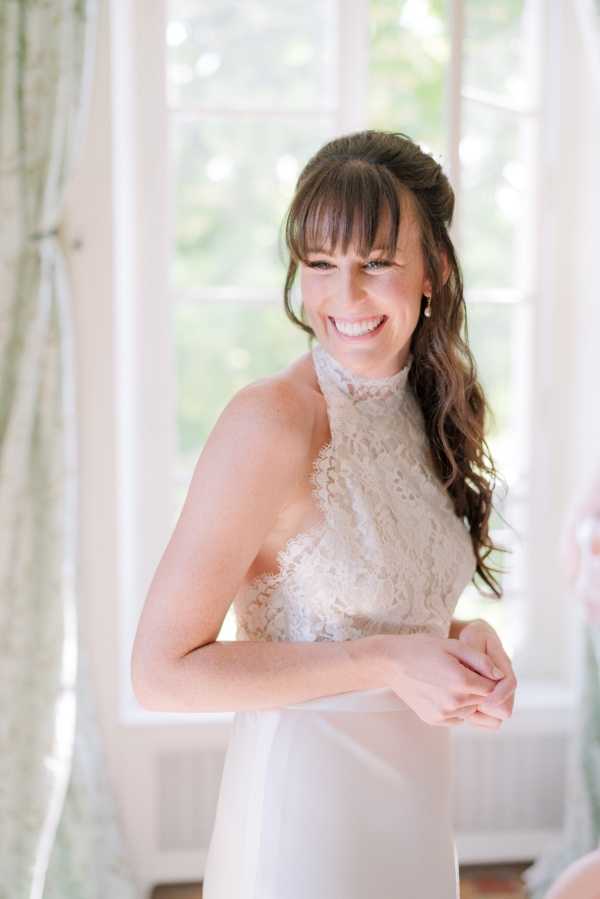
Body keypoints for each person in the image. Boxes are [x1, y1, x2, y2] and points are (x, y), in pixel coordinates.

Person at [130, 129, 518, 898]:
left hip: (414, 814)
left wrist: (460, 638)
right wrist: (388, 661)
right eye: (320, 264)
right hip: (304, 830)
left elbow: (378, 606)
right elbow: (160, 674)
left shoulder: (427, 409)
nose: (345, 297)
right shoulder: (271, 421)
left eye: (376, 262)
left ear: (434, 268)